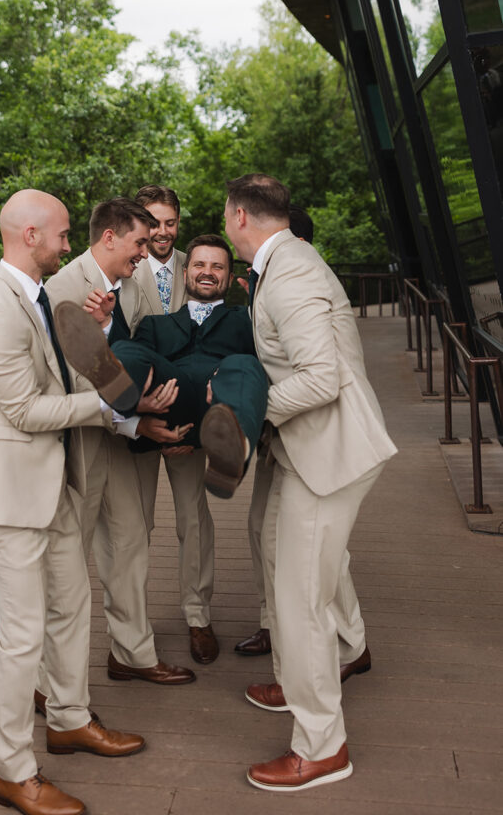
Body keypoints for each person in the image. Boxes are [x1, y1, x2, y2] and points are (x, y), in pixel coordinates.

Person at [0, 189, 145, 815]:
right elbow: (26, 411)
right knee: (22, 636)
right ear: (30, 235)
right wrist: (111, 406)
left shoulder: (36, 299)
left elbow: (63, 374)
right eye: (61, 234)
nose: (69, 245)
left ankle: (68, 719)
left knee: (71, 606)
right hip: (7, 500)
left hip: (53, 485)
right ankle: (12, 771)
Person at [223, 173, 397, 792]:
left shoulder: (289, 270)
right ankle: (314, 669)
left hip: (330, 453)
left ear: (238, 217)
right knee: (285, 566)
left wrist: (243, 412)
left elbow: (320, 379)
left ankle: (322, 746)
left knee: (300, 600)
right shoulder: (289, 258)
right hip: (311, 450)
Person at [47, 197, 195, 686]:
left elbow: (133, 351)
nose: (144, 251)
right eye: (137, 242)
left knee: (131, 544)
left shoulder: (130, 286)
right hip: (80, 447)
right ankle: (49, 684)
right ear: (109, 237)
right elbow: (68, 383)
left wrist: (109, 328)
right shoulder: (59, 290)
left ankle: (132, 653)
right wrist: (135, 422)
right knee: (68, 564)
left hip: (122, 443)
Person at [54, 233, 269, 495]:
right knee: (129, 350)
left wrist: (261, 300)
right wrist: (105, 324)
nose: (208, 272)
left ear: (230, 276)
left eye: (217, 267)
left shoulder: (247, 320)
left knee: (244, 364)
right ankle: (119, 388)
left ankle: (230, 456)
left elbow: (268, 362)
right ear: (185, 271)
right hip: (173, 400)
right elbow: (139, 357)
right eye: (200, 265)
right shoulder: (156, 324)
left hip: (221, 402)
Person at [129, 185, 218, 665]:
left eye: (170, 223)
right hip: (136, 419)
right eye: (153, 223)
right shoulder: (122, 265)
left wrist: (194, 419)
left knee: (194, 519)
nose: (162, 232)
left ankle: (198, 616)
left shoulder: (198, 264)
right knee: (134, 524)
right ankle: (132, 626)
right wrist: (139, 416)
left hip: (187, 421)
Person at [234, 204, 315, 659]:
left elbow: (316, 375)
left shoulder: (297, 286)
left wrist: (257, 413)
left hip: (303, 437)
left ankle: (334, 644)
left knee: (301, 549)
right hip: (276, 438)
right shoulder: (263, 285)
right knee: (260, 529)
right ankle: (273, 623)